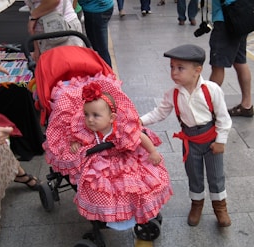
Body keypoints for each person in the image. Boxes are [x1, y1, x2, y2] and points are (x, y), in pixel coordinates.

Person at [43, 74, 173, 230]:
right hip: (99, 162)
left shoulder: (121, 127)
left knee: (138, 182)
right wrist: (75, 144)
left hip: (123, 157)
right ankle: (110, 214)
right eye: (86, 114)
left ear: (112, 118)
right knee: (102, 188)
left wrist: (152, 152)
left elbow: (140, 136)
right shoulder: (84, 129)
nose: (90, 119)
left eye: (95, 115)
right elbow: (74, 136)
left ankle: (136, 209)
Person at [140, 44, 232, 228]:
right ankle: (196, 204)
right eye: (172, 67)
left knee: (216, 176)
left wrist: (221, 141)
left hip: (211, 140)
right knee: (194, 175)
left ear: (197, 70)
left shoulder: (211, 90)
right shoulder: (173, 93)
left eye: (180, 68)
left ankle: (220, 207)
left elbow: (224, 118)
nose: (174, 72)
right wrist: (139, 121)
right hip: (190, 142)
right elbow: (159, 112)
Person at [209, 0, 253, 117]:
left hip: (226, 18)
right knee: (240, 61)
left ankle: (207, 108)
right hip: (240, 16)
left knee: (218, 65)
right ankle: (247, 105)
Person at [78, 0, 113, 67]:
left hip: (96, 10)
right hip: (102, 8)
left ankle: (108, 75)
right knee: (100, 48)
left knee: (101, 50)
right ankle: (107, 73)